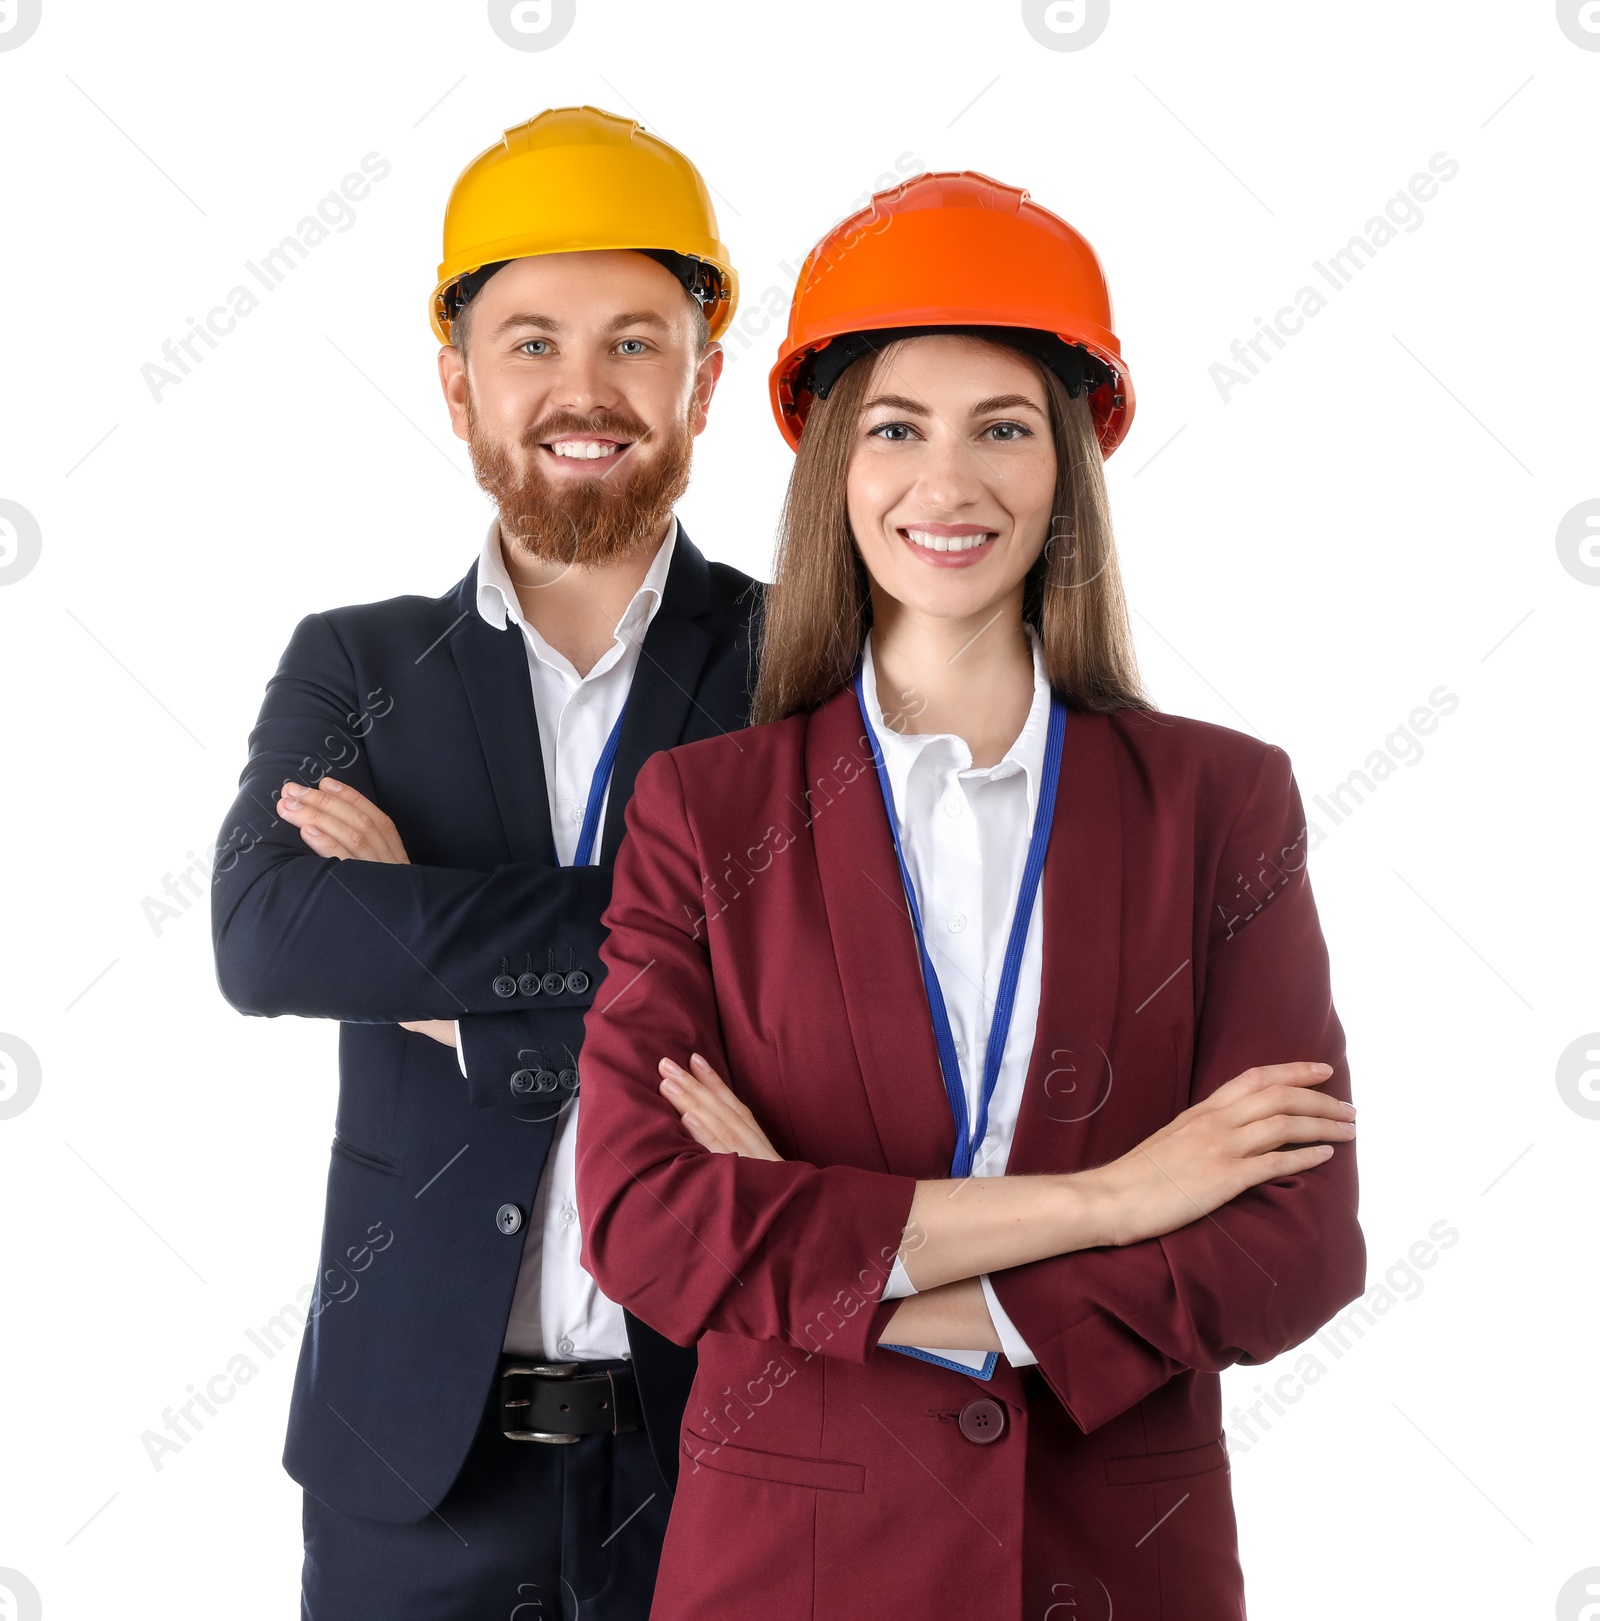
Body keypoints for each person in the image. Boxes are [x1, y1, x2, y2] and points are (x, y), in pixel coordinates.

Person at [574, 171, 1365, 1620]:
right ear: (835, 470)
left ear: (1067, 463)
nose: (950, 484)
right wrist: (1119, 1197)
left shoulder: (1220, 805)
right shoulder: (705, 813)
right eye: (896, 429)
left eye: (1003, 428)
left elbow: (1293, 1243)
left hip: (1121, 1569)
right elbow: (649, 1218)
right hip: (791, 1574)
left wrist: (879, 1281)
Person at [210, 106, 761, 1619]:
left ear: (705, 380)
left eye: (635, 342)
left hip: (727, 1444)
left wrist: (438, 969)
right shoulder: (359, 664)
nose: (583, 392)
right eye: (530, 342)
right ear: (457, 386)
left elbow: (814, 980)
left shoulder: (805, 668)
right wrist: (673, 951)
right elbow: (265, 938)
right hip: (412, 1465)